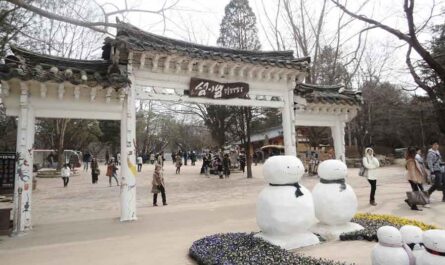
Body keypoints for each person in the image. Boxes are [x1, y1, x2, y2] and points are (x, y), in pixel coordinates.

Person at [405, 146, 428, 211]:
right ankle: (413, 205)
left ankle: (410, 202)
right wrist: (414, 179)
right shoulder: (411, 161)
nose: (415, 154)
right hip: (412, 178)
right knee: (416, 191)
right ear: (413, 153)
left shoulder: (411, 159)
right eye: (415, 153)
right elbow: (412, 171)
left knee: (415, 191)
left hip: (412, 178)